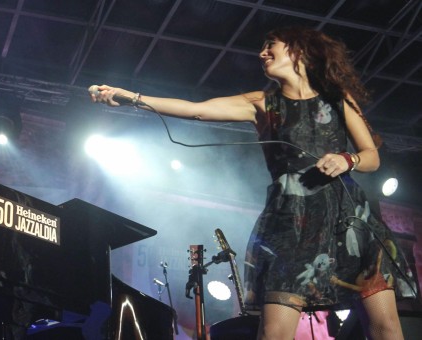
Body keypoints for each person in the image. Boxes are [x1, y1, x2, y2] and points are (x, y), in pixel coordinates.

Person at [91, 26, 411, 340]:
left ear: (299, 51)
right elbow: (197, 111)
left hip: (349, 220)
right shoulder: (260, 103)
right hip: (292, 223)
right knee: (275, 331)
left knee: (386, 326)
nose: (262, 53)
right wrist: (133, 97)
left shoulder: (339, 100)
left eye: (271, 45)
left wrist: (348, 159)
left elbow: (371, 156)